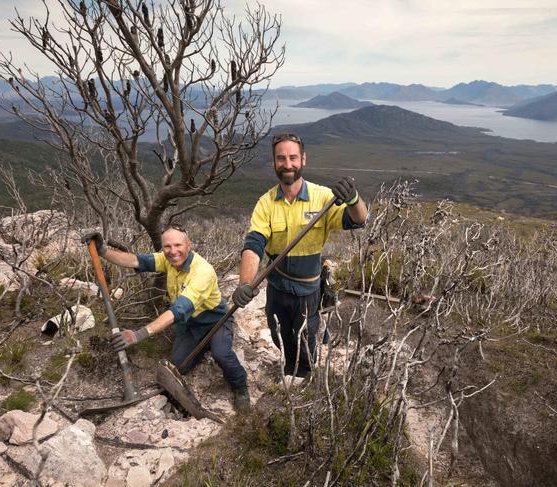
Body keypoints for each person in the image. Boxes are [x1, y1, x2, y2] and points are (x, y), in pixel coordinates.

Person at [232, 132, 368, 378]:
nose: (287, 164)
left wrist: (353, 198)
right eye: (281, 158)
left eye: (293, 157)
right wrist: (245, 283)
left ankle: (305, 377)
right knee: (278, 333)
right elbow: (254, 245)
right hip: (277, 286)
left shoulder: (323, 197)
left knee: (307, 336)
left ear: (303, 159)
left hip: (308, 289)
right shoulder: (265, 203)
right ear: (274, 162)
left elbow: (359, 219)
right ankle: (288, 367)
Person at [82, 225, 250, 410]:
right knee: (179, 367)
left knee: (222, 354)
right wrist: (103, 251)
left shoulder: (202, 272)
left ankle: (240, 386)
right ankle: (202, 347)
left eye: (178, 245)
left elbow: (177, 311)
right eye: (167, 247)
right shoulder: (168, 260)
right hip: (190, 324)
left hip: (215, 321)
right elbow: (136, 261)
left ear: (189, 245)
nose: (172, 251)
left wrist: (138, 335)